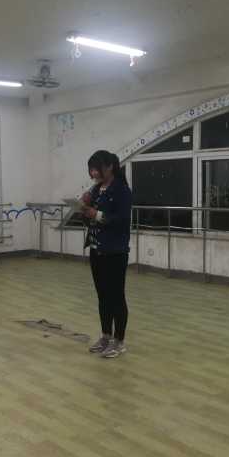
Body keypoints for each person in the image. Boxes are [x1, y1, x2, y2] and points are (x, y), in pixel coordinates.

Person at [82, 150, 133, 359]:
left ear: (110, 167)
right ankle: (105, 336)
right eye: (91, 169)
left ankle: (119, 341)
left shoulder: (122, 190)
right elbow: (88, 220)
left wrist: (97, 214)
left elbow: (121, 220)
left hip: (115, 251)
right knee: (102, 296)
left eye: (97, 168)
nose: (94, 173)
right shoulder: (96, 190)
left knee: (116, 296)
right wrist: (84, 208)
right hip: (97, 249)